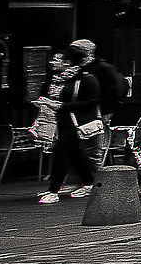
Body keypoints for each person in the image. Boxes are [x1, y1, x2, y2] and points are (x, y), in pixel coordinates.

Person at [37, 50, 102, 203]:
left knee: (61, 151)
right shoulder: (55, 79)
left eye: (56, 59)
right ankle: (88, 183)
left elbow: (92, 102)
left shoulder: (85, 79)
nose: (52, 62)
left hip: (78, 121)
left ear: (67, 63)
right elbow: (49, 95)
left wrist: (61, 106)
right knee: (74, 154)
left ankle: (53, 190)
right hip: (62, 121)